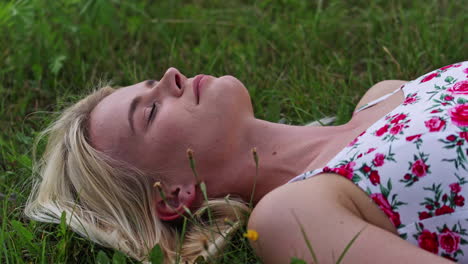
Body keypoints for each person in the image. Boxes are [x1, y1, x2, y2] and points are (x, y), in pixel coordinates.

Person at [24, 62, 467, 263]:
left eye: (153, 82)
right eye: (151, 111)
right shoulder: (291, 216)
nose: (171, 76)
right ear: (176, 195)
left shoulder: (384, 93)